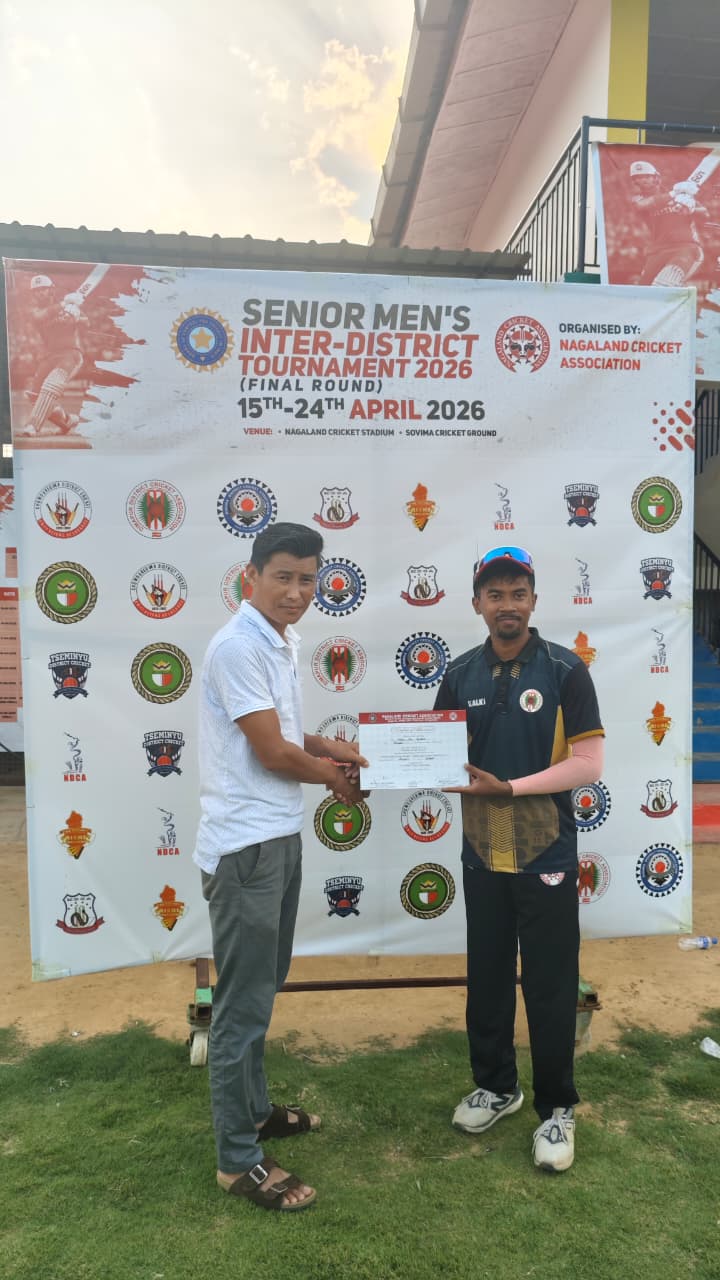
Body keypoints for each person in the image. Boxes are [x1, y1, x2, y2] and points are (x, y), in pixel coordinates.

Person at [193, 522, 366, 1211]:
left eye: (307, 579)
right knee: (241, 1006)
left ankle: (257, 1112)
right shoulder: (239, 645)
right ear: (252, 576)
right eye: (283, 577)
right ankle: (237, 1161)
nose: (297, 591)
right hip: (247, 848)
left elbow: (282, 734)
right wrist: (332, 776)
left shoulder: (277, 639)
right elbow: (270, 753)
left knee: (262, 990)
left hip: (277, 837)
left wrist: (331, 747)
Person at [434, 546, 604, 1173]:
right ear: (477, 602)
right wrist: (375, 769)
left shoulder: (565, 670)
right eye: (495, 594)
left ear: (533, 600)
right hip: (482, 850)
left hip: (545, 850)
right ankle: (497, 1087)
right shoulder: (459, 673)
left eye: (518, 593)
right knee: (486, 974)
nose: (507, 604)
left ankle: (557, 1108)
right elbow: (434, 753)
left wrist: (509, 788)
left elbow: (588, 765)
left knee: (551, 982)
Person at [629, 159, 707, 287]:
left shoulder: (681, 195)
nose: (642, 180)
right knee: (643, 289)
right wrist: (674, 194)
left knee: (662, 286)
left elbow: (705, 213)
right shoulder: (637, 199)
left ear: (656, 177)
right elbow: (643, 205)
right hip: (657, 251)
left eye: (646, 176)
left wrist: (691, 209)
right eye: (638, 177)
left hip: (685, 248)